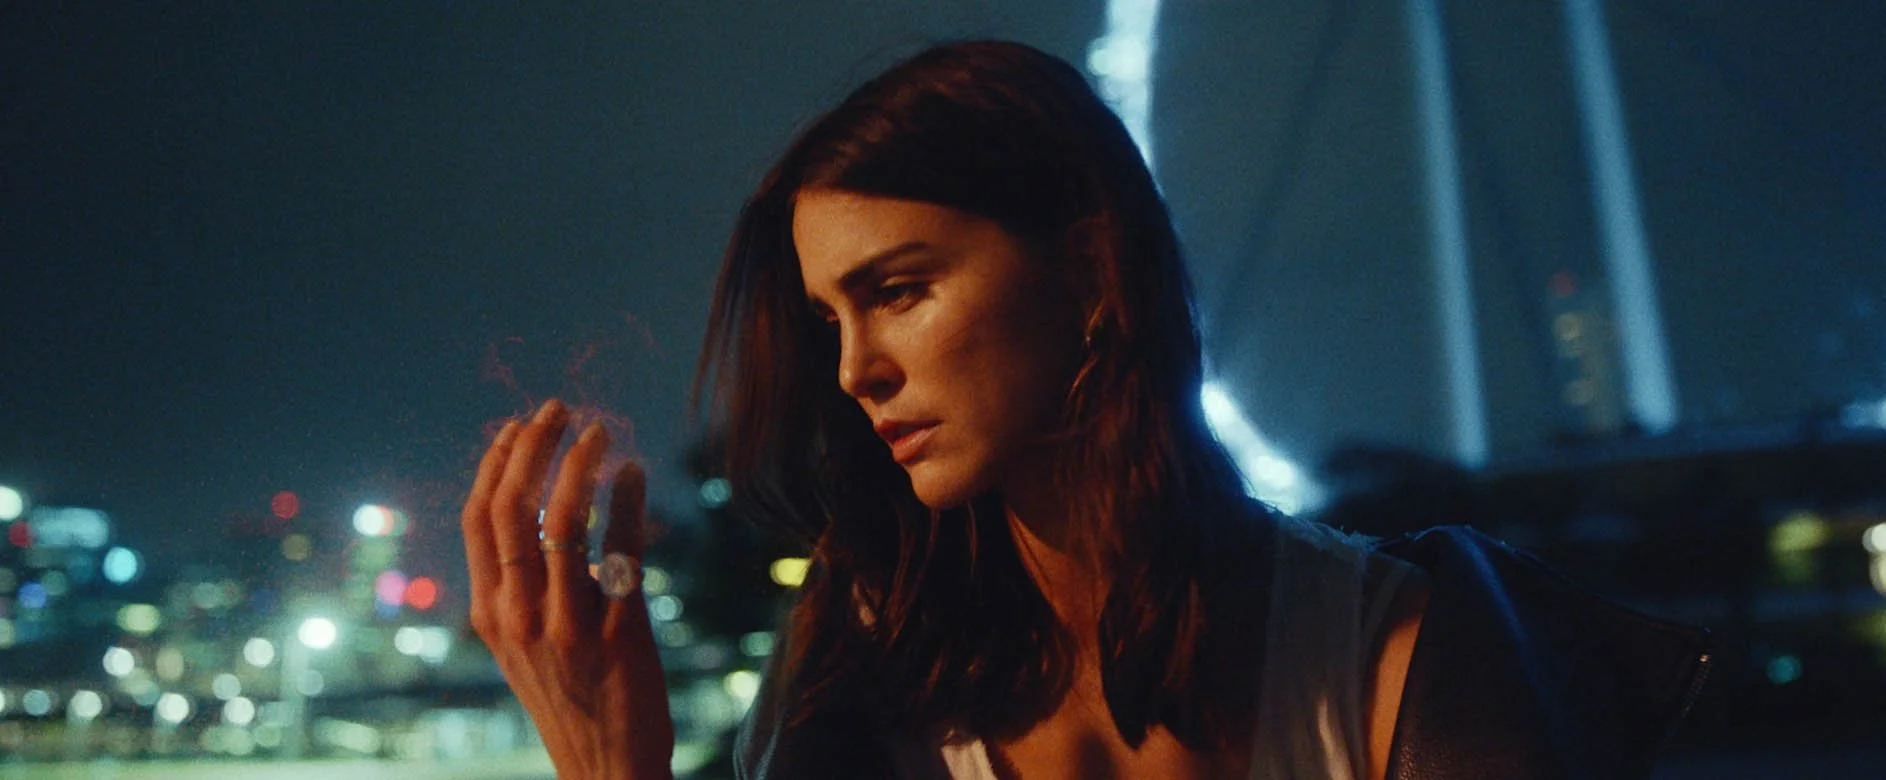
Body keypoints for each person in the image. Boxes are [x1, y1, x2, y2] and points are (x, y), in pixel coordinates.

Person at [461, 41, 1710, 780]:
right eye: (831, 319)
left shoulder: (1398, 659)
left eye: (898, 292)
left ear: (1092, 268)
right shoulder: (860, 678)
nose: (854, 370)